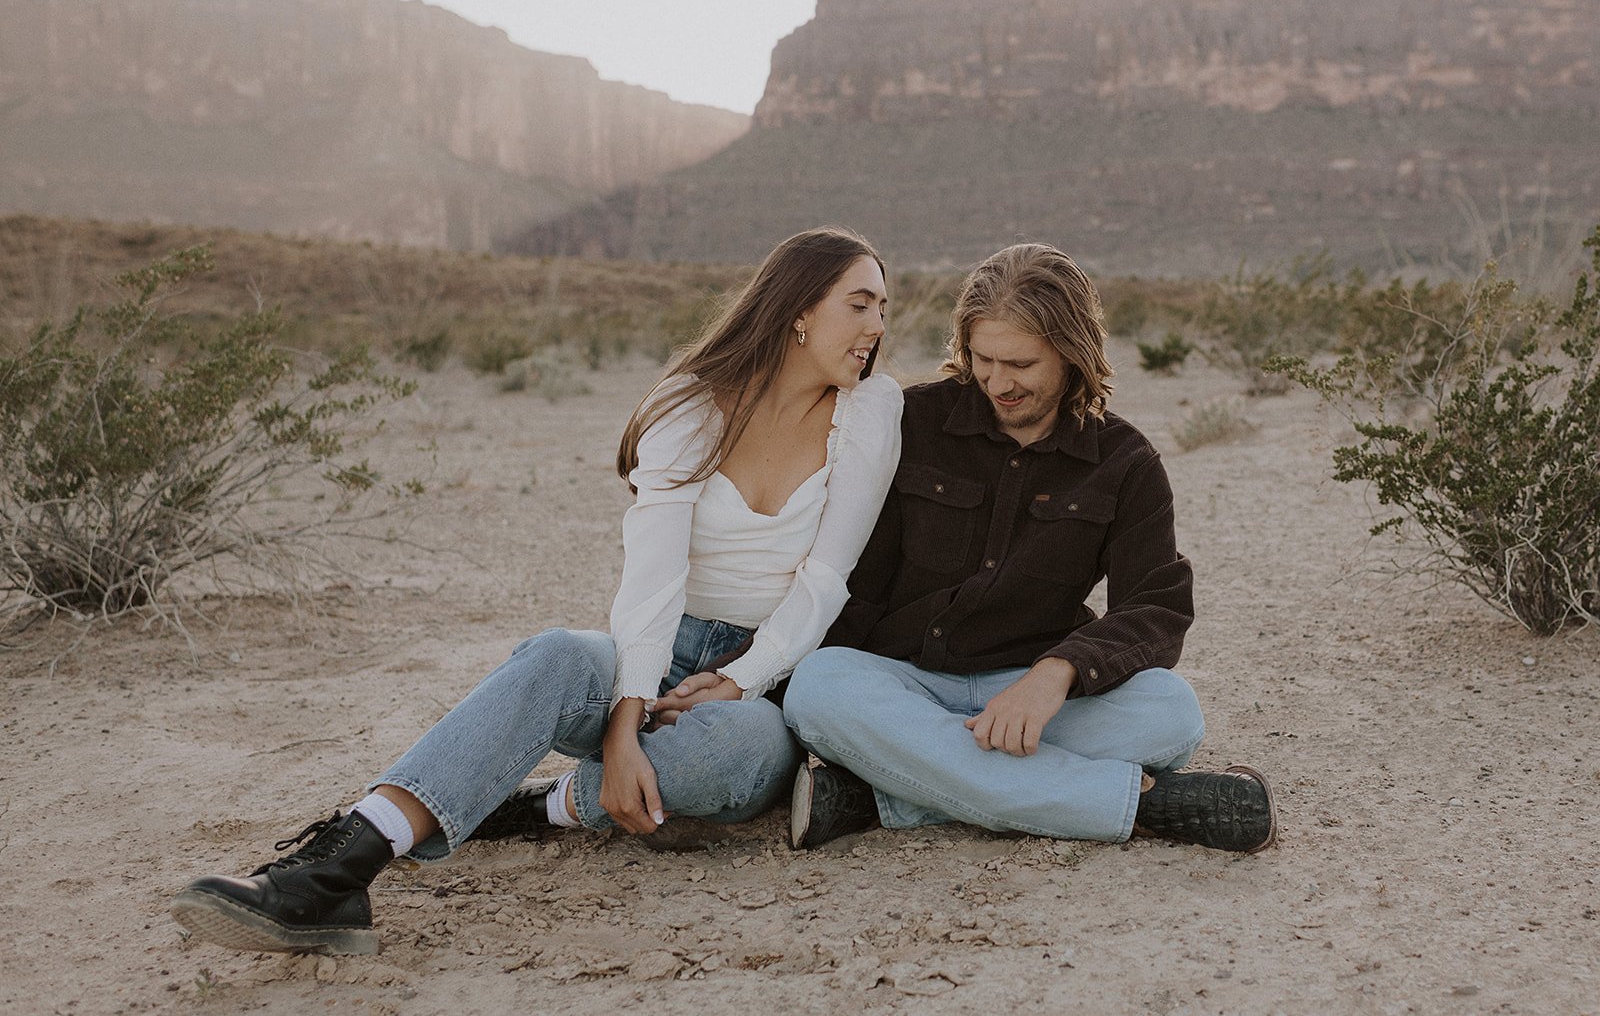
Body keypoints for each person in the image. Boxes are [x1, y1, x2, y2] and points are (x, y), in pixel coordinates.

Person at [171, 226, 902, 955]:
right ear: (799, 310)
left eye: (882, 308)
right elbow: (652, 579)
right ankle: (341, 867)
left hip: (760, 683)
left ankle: (538, 803)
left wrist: (740, 679)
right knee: (555, 655)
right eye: (860, 305)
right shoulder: (693, 403)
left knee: (732, 753)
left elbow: (824, 582)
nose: (877, 327)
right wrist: (625, 722)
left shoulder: (870, 413)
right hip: (655, 650)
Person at [782, 243, 1276, 854]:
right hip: (908, 680)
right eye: (982, 359)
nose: (997, 381)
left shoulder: (1125, 462)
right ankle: (1138, 806)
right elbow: (852, 576)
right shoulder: (910, 423)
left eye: (1020, 363)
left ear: (1071, 354)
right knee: (820, 688)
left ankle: (888, 795)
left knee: (1171, 714)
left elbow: (1157, 607)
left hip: (1036, 697)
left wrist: (1056, 673)